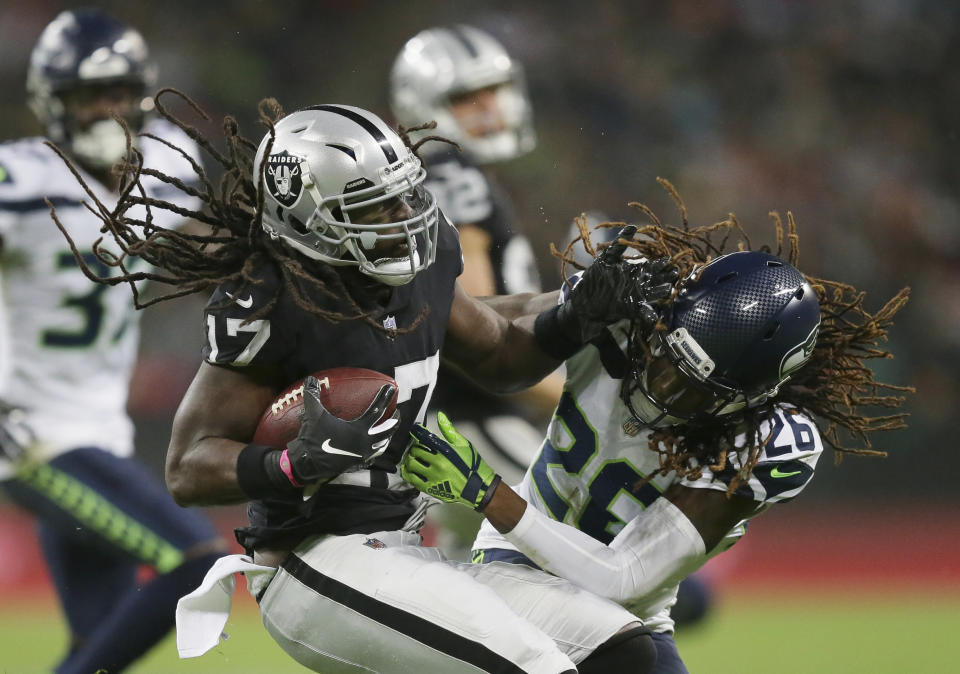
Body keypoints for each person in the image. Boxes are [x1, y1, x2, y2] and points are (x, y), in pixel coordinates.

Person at [52, 98, 675, 672]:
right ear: (310, 221)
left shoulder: (422, 260)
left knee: (625, 652)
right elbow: (188, 468)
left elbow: (498, 356)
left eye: (405, 196)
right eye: (374, 206)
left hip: (402, 544)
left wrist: (575, 315)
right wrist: (291, 465)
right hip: (313, 561)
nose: (404, 218)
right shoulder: (274, 299)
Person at [401, 202, 912, 673]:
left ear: (754, 397)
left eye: (693, 387)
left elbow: (622, 577)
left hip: (631, 611)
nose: (661, 384)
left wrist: (489, 494)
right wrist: (564, 316)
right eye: (668, 356)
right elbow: (498, 336)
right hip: (519, 563)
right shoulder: (628, 309)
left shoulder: (767, 442)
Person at [0, 9, 227, 674]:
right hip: (33, 434)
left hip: (102, 430)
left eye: (118, 93)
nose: (106, 109)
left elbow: (215, 253)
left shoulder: (163, 171)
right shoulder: (22, 181)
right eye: (87, 95)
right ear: (52, 102)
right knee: (198, 562)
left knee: (94, 646)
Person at [390, 25, 556, 484]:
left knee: (483, 556)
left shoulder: (438, 172)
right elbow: (472, 325)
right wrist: (568, 395)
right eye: (468, 97)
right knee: (599, 529)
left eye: (494, 91)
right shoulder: (450, 173)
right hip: (469, 416)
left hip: (448, 417)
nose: (490, 108)